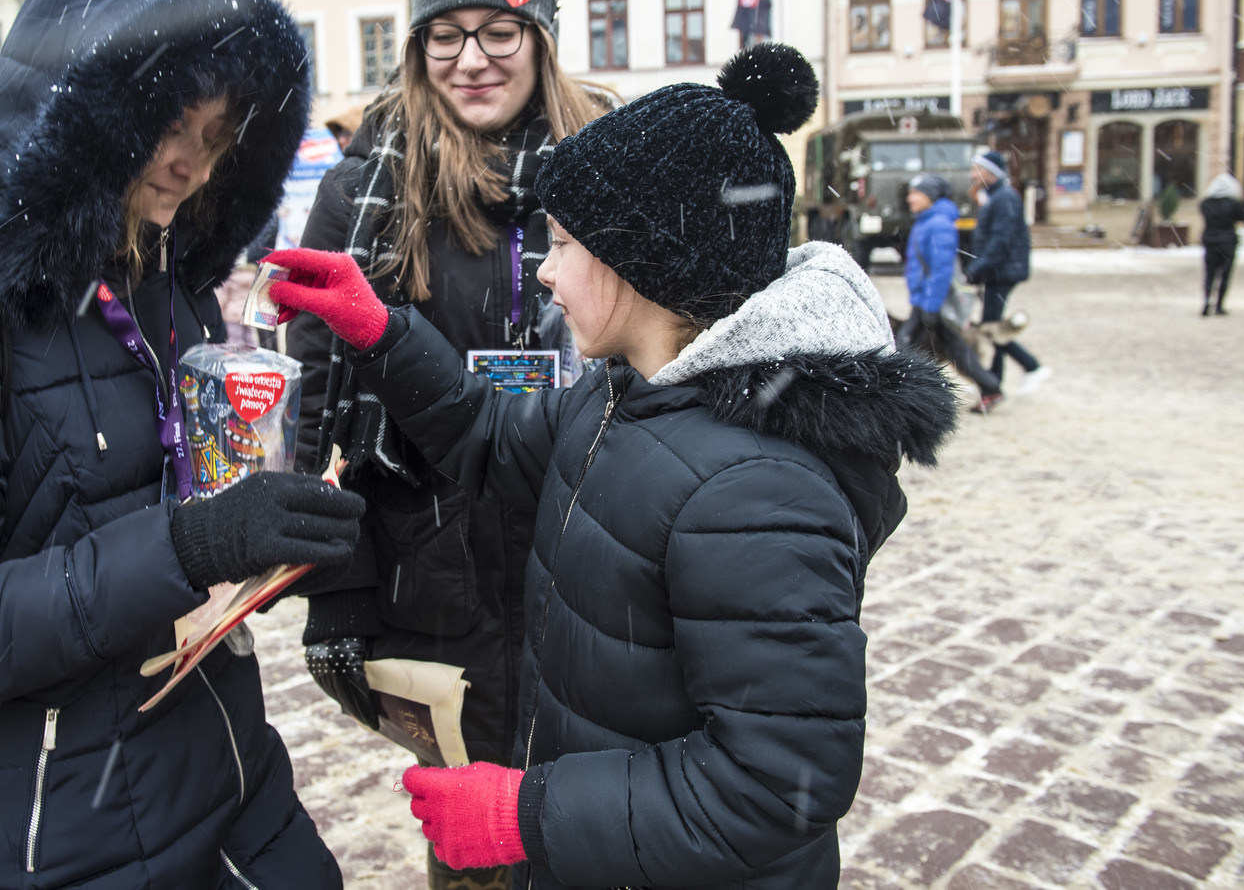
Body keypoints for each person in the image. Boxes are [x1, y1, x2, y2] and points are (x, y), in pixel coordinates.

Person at [264, 43, 956, 890]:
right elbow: (492, 436)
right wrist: (381, 332)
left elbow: (776, 786)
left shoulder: (755, 494)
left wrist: (524, 815)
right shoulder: (627, 392)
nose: (546, 271)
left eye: (562, 243)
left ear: (645, 261)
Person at [0, 0, 365, 890]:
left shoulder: (170, 292)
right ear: (84, 113)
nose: (189, 164)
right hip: (51, 830)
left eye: (216, 139)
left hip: (223, 772)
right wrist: (192, 546)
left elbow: (170, 513)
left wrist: (270, 535)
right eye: (169, 125)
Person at [284, 0, 608, 890]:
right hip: (430, 566)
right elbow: (317, 404)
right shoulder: (364, 186)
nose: (471, 59)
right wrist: (336, 594)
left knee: (593, 816)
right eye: (444, 35)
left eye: (498, 31)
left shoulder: (611, 161)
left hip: (588, 548)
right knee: (472, 838)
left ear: (540, 38)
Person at [901, 172, 1005, 412]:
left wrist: (931, 305)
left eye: (916, 193)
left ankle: (897, 397)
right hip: (926, 299)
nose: (910, 198)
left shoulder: (937, 224)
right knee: (953, 348)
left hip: (932, 300)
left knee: (903, 346)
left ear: (930, 196)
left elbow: (941, 270)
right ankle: (991, 388)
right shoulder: (926, 221)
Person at [967, 149, 1049, 394]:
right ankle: (994, 381)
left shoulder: (1004, 198)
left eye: (977, 170)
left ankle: (1031, 367)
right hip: (997, 271)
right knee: (992, 327)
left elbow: (1000, 242)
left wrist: (977, 269)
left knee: (991, 329)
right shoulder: (995, 197)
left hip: (1002, 272)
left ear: (990, 173)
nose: (972, 175)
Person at [1199, 172, 1244, 315]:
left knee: (1210, 273)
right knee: (1225, 274)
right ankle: (1219, 305)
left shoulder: (1206, 203)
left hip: (1211, 241)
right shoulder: (1233, 203)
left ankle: (1207, 300)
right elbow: (1242, 217)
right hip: (1228, 242)